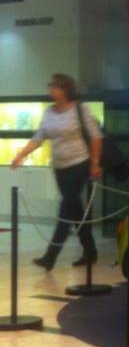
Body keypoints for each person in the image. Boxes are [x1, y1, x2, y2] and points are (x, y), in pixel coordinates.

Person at [10, 74, 102, 270]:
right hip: (59, 168)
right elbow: (39, 136)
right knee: (75, 210)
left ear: (65, 89)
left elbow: (96, 136)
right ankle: (90, 251)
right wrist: (21, 155)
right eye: (50, 85)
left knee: (65, 209)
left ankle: (50, 256)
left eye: (54, 86)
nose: (51, 89)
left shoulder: (80, 108)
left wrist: (94, 163)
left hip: (79, 164)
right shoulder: (49, 112)